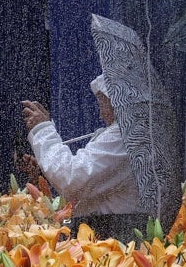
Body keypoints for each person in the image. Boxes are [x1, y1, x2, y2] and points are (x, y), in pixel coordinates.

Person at [21, 75, 145, 237]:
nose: (101, 114)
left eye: (102, 104)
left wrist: (42, 130)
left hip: (110, 235)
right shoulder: (135, 132)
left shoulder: (125, 134)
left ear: (115, 102)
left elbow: (71, 178)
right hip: (112, 230)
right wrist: (45, 165)